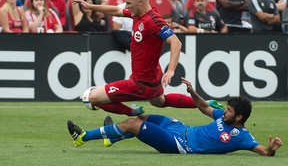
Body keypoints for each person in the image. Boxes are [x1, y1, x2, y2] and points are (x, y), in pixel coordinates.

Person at [72, 0, 223, 116]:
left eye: (129, 3)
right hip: (153, 79)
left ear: (141, 2)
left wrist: (171, 70)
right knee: (160, 102)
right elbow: (116, 10)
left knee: (90, 98)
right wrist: (91, 6)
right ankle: (206, 102)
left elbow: (175, 42)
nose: (127, 6)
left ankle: (132, 112)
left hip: (140, 83)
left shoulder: (153, 21)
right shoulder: (137, 13)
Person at [67, 77, 283, 156]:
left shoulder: (241, 135)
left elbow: (263, 152)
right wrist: (193, 92)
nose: (224, 111)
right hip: (180, 129)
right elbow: (203, 107)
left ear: (239, 117)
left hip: (180, 145)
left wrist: (271, 149)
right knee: (146, 118)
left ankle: (83, 137)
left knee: (133, 123)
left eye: (229, 110)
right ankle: (111, 137)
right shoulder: (222, 118)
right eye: (226, 108)